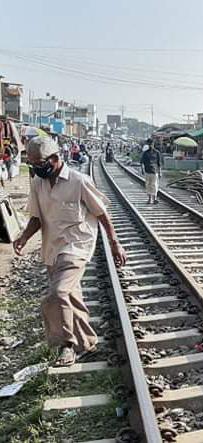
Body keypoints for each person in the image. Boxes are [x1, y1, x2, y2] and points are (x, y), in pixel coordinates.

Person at [13, 137, 127, 367]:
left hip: (77, 245)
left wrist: (115, 243)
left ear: (55, 159)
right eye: (32, 163)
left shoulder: (79, 181)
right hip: (52, 246)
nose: (36, 168)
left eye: (40, 163)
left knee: (58, 294)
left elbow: (102, 213)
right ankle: (87, 344)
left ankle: (66, 345)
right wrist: (24, 237)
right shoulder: (38, 183)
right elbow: (37, 216)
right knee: (71, 296)